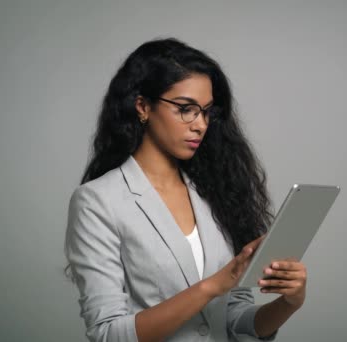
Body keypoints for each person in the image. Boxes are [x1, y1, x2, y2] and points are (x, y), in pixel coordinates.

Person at [63, 37, 307, 342]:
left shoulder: (215, 192)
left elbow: (233, 319)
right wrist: (212, 286)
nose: (201, 125)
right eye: (186, 109)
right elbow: (108, 334)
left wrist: (288, 303)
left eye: (206, 112)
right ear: (143, 107)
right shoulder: (98, 201)